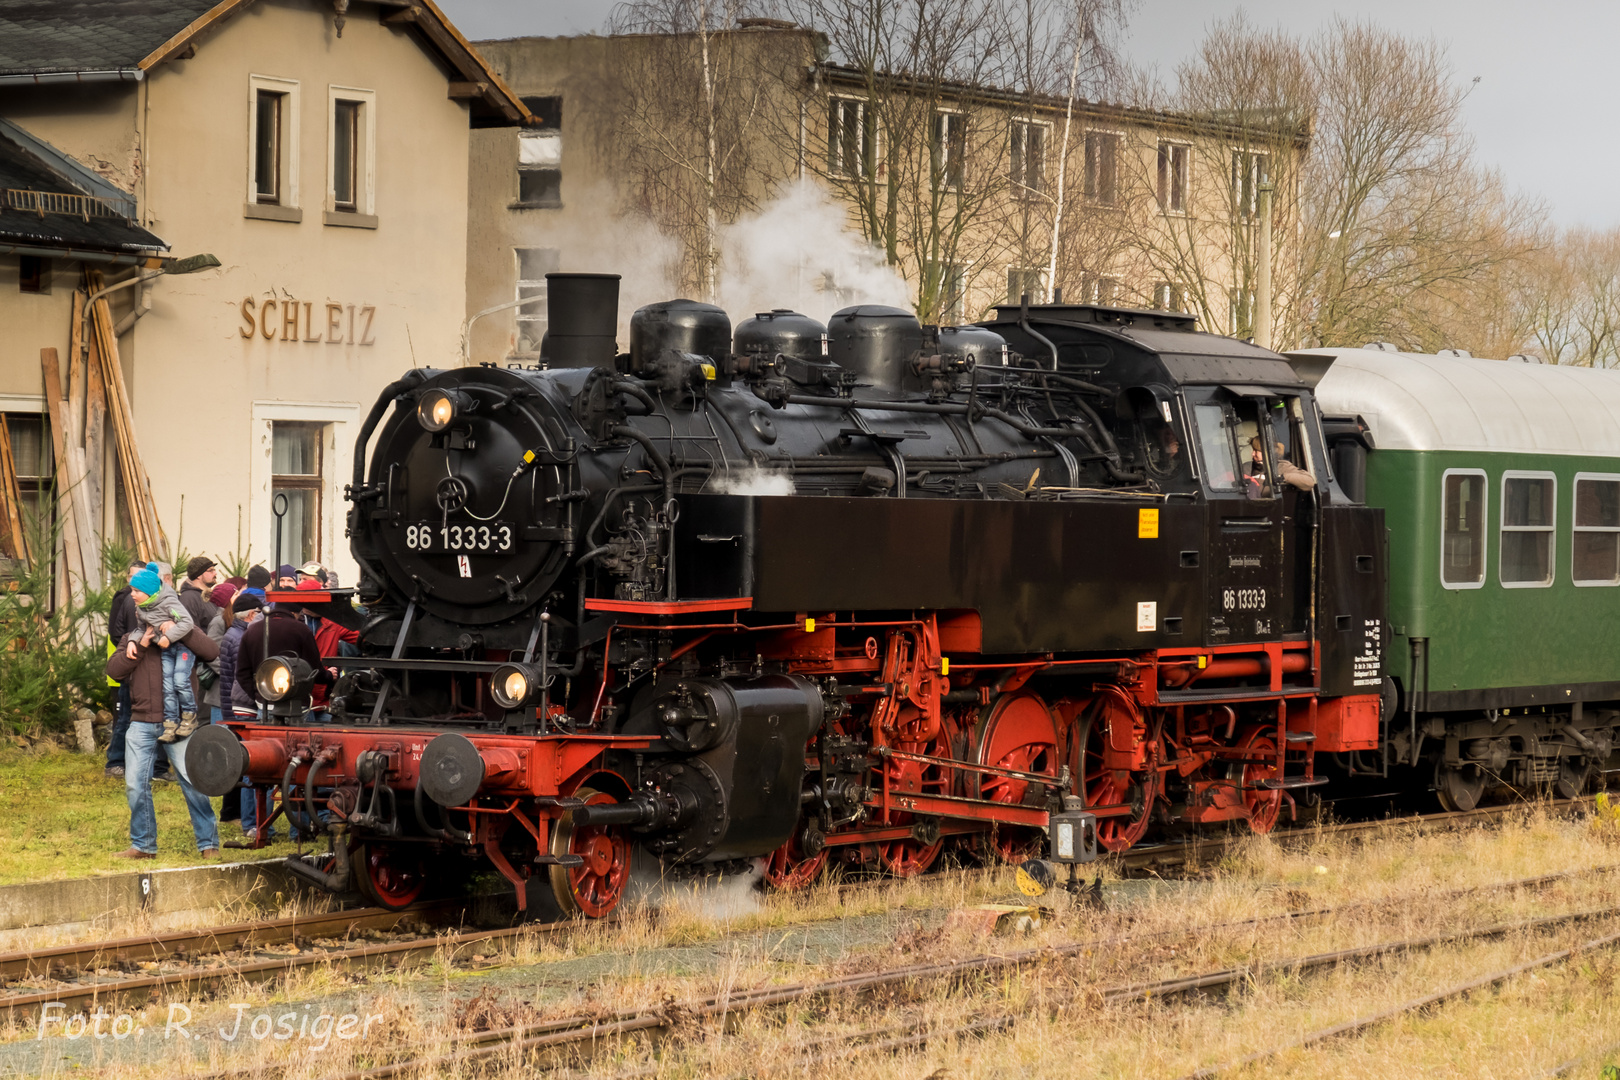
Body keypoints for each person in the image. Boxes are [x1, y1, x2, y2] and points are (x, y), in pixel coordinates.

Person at [105, 624, 220, 860]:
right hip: (141, 721)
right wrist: (140, 645)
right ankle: (143, 846)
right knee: (135, 785)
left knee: (193, 783)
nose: (139, 609)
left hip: (179, 722)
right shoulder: (132, 637)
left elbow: (211, 651)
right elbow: (114, 671)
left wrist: (182, 631)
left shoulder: (184, 630)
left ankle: (209, 844)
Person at [128, 565, 197, 744]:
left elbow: (187, 623)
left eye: (136, 591)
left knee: (180, 681)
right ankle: (170, 724)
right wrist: (132, 641)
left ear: (149, 591)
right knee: (167, 687)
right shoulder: (142, 608)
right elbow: (141, 628)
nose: (132, 594)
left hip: (181, 648)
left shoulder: (169, 602)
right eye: (131, 590)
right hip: (165, 649)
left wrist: (169, 636)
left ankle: (189, 716)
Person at [104, 558, 149, 779]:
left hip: (139, 666)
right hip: (126, 667)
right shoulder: (125, 599)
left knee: (134, 718)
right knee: (124, 717)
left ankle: (133, 762)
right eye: (133, 575)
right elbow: (116, 631)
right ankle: (115, 762)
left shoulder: (151, 602)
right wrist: (131, 645)